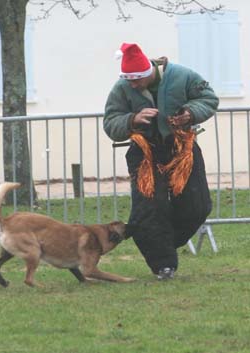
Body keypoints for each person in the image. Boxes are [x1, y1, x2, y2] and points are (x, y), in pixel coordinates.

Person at [103, 43, 219, 280]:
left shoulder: (183, 75)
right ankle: (163, 265)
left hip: (181, 148)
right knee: (148, 210)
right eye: (128, 80)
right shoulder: (122, 88)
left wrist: (190, 113)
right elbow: (110, 122)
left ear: (149, 71)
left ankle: (163, 243)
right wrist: (132, 119)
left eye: (136, 80)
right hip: (144, 152)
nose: (132, 85)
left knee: (198, 205)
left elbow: (209, 98)